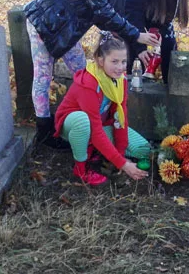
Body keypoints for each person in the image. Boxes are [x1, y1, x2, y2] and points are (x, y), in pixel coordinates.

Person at [24, 0, 160, 148]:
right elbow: (102, 10)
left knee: (83, 73)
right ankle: (45, 132)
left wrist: (115, 32)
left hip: (67, 26)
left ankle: (82, 122)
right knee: (43, 76)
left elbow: (99, 13)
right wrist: (136, 34)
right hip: (45, 21)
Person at [53, 32, 151, 186]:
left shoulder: (121, 80)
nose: (120, 67)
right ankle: (81, 169)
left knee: (143, 149)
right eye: (114, 61)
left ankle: (97, 152)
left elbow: (121, 119)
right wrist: (124, 164)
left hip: (99, 127)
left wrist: (119, 156)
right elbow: (95, 129)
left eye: (124, 61)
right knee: (82, 121)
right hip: (76, 127)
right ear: (100, 61)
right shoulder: (89, 83)